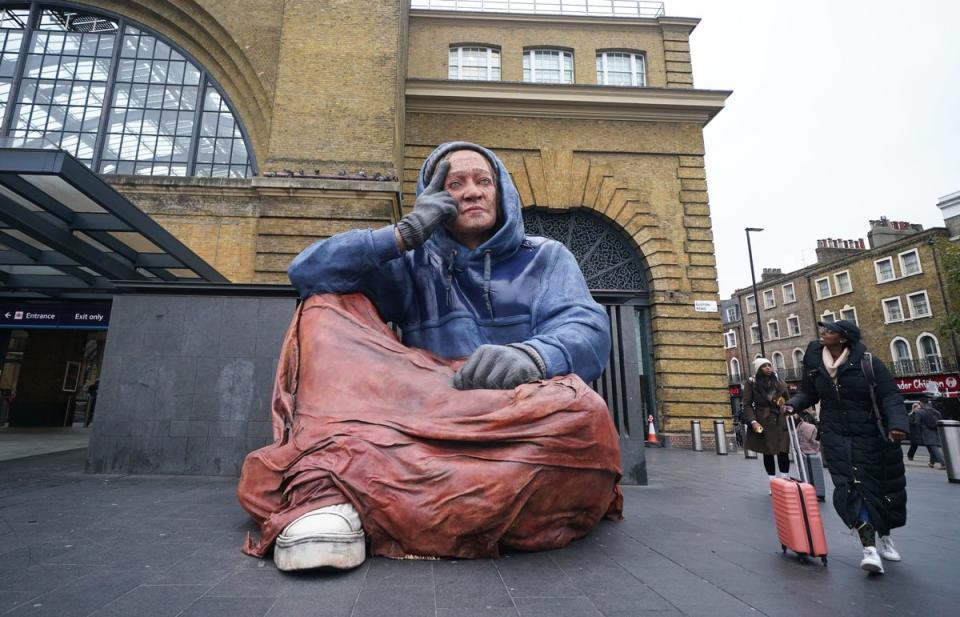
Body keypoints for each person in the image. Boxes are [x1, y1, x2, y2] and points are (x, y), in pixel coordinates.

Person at [237, 142, 618, 571]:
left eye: (483, 181)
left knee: (585, 412)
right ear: (433, 196)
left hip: (516, 411)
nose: (472, 192)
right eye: (455, 184)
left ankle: (347, 492)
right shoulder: (412, 262)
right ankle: (348, 496)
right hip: (422, 407)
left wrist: (534, 356)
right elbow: (306, 274)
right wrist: (402, 235)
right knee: (324, 306)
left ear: (502, 191)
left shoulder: (547, 256)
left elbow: (586, 328)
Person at [785, 320, 908, 575]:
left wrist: (897, 425)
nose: (823, 333)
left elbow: (890, 395)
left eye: (829, 331)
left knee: (877, 488)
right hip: (835, 434)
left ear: (843, 338)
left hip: (870, 435)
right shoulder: (816, 363)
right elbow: (809, 393)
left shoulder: (868, 363)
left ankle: (884, 536)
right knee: (850, 487)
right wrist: (793, 404)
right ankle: (869, 549)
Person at [741, 358, 791, 492]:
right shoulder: (752, 383)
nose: (768, 368)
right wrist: (753, 421)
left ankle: (785, 481)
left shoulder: (779, 382)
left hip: (780, 419)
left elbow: (788, 401)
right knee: (768, 452)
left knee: (783, 450)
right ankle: (773, 483)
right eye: (764, 366)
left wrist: (789, 408)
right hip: (763, 419)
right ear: (758, 369)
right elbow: (747, 405)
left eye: (769, 365)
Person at [917, 399, 946, 470]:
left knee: (933, 448)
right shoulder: (935, 411)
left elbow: (917, 423)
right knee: (931, 448)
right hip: (935, 431)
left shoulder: (920, 412)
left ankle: (944, 463)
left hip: (926, 432)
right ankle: (931, 462)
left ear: (920, 403)